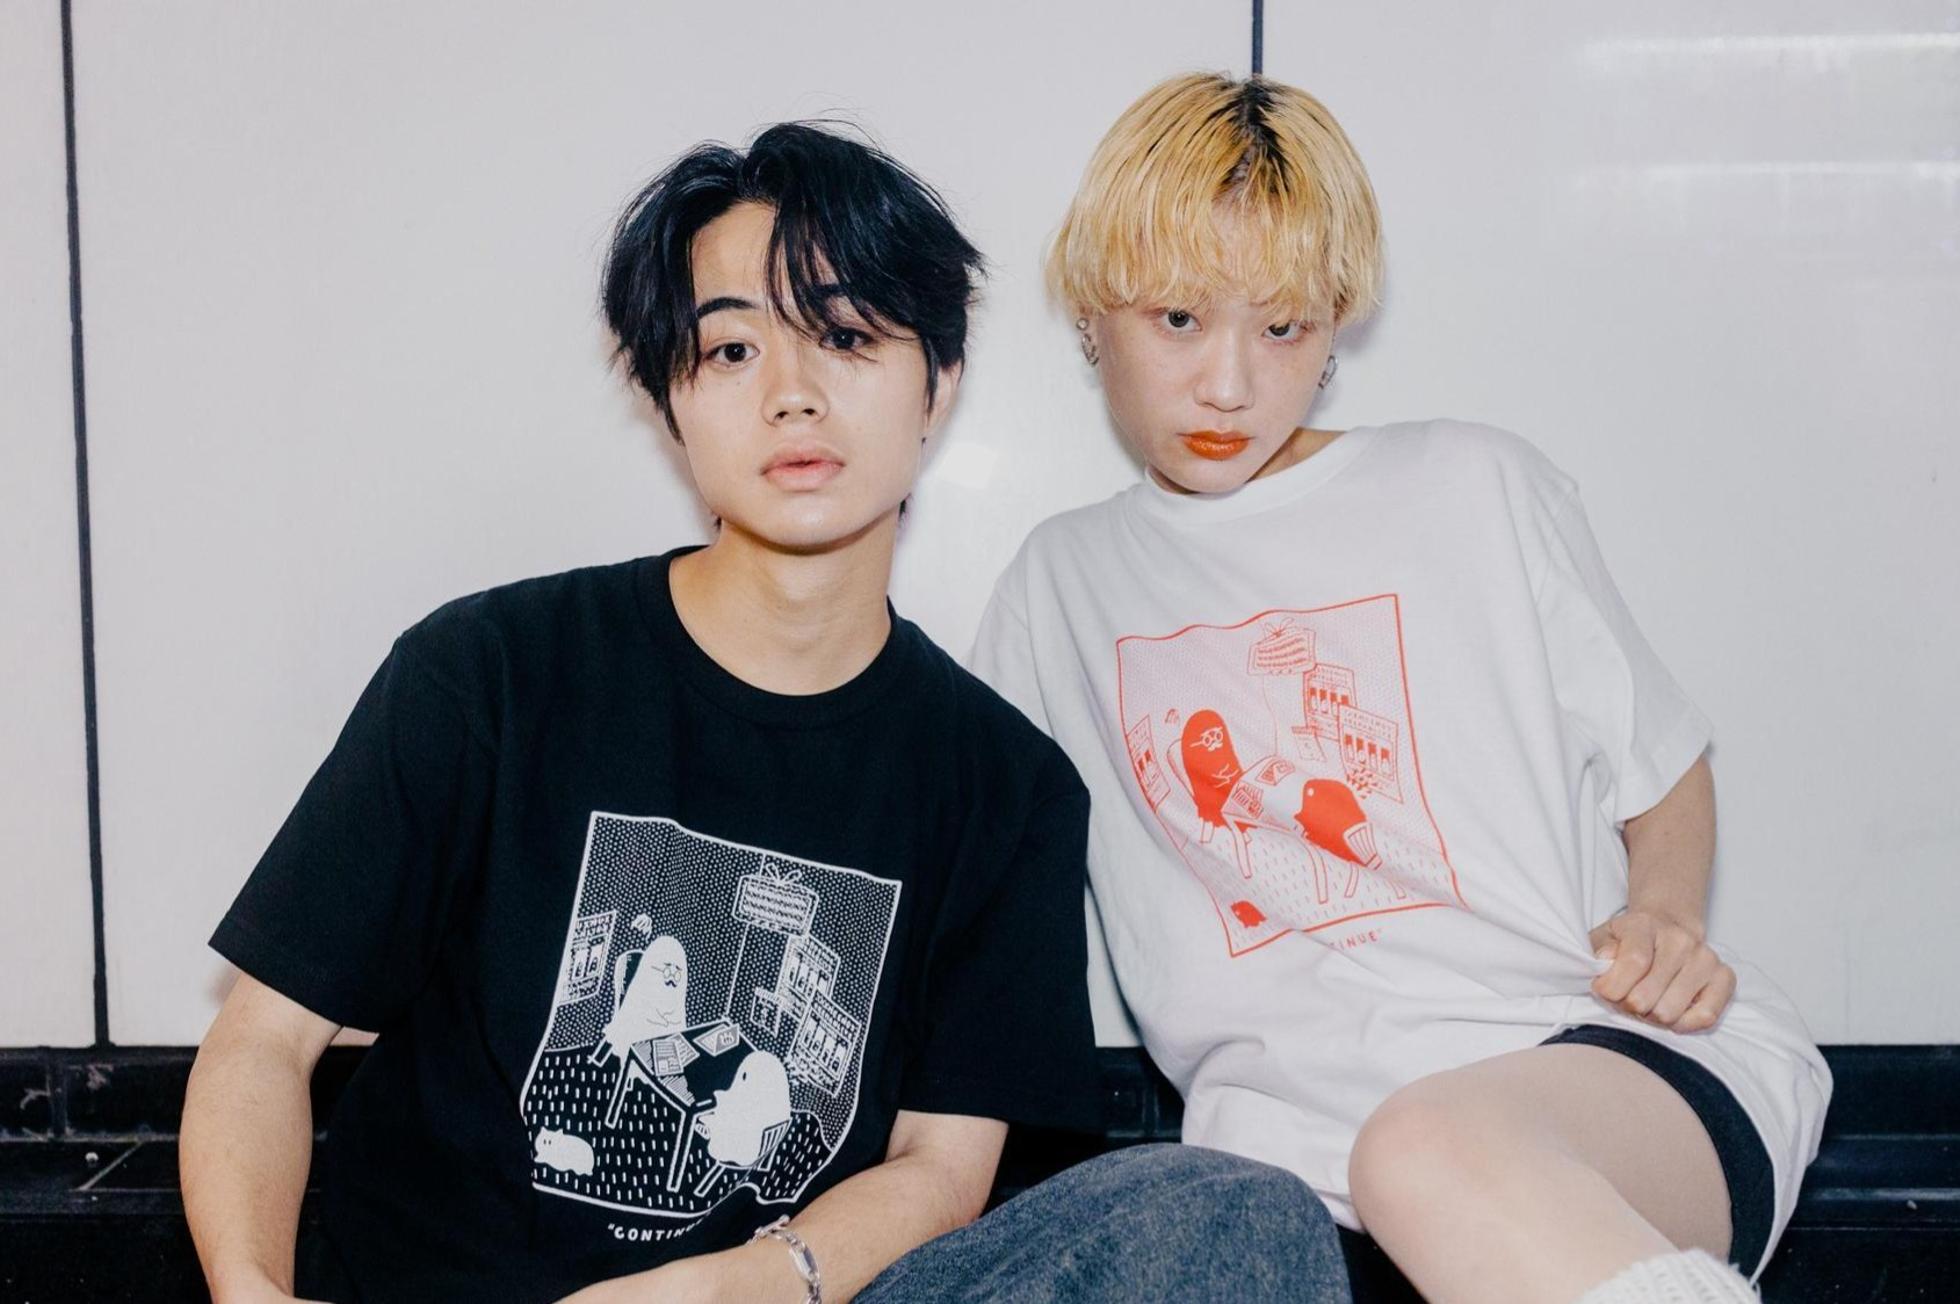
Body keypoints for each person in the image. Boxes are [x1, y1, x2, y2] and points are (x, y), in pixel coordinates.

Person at [181, 119, 1349, 1304]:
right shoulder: (491, 672)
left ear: (938, 383)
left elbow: (943, 1167)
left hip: (782, 1293)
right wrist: (247, 1286)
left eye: (845, 336)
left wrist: (728, 1285)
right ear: (670, 399)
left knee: (1235, 1213)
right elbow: (263, 1040)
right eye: (733, 349)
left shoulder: (1003, 783)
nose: (793, 395)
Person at [971, 72, 1832, 1304]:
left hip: (1599, 1068)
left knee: (1424, 1150)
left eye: (1282, 328)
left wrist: (1663, 918)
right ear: (1092, 313)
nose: (1228, 383)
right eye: (1179, 319)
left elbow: (1662, 762)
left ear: (1334, 330)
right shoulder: (1057, 585)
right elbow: (978, 904)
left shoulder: (1473, 485)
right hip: (1289, 1176)